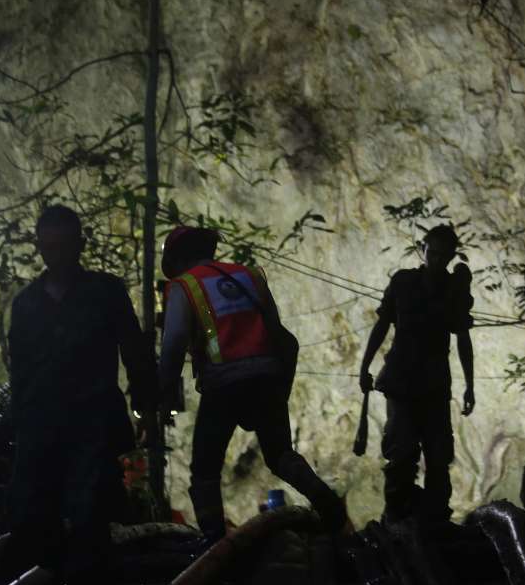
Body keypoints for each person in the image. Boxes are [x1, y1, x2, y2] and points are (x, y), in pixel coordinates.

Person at [157, 226, 346, 543]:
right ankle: (330, 507)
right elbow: (281, 336)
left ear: (177, 260)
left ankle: (213, 542)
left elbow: (174, 343)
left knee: (205, 468)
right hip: (267, 377)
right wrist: (278, 390)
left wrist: (164, 399)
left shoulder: (184, 285)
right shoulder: (249, 276)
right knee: (280, 454)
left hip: (223, 382)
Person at [6, 205, 156, 585]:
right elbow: (19, 372)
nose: (54, 254)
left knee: (91, 513)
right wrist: (18, 425)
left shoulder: (104, 292)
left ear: (79, 245)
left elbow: (134, 350)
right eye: (47, 246)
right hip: (43, 425)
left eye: (62, 246)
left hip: (94, 419)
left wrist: (144, 406)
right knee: (38, 516)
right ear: (39, 247)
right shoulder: (26, 304)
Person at [359, 224, 476, 523]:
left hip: (435, 383)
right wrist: (364, 365)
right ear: (422, 250)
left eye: (442, 255)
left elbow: (463, 338)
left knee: (438, 456)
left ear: (451, 256)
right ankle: (397, 516)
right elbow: (382, 325)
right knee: (402, 454)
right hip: (401, 379)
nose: (436, 259)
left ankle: (436, 518)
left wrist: (470, 386)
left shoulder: (454, 290)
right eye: (432, 252)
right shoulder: (403, 282)